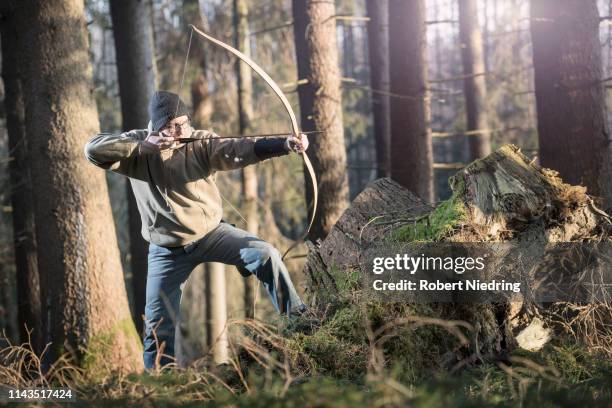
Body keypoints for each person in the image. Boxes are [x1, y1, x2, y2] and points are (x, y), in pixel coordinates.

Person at [84, 90, 309, 371]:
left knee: (266, 254)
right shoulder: (137, 147)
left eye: (182, 123)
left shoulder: (200, 142)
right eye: (170, 126)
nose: (178, 131)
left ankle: (302, 324)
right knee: (157, 326)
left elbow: (237, 148)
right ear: (155, 126)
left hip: (212, 235)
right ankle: (159, 385)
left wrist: (285, 144)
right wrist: (144, 146)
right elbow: (92, 150)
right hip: (166, 252)